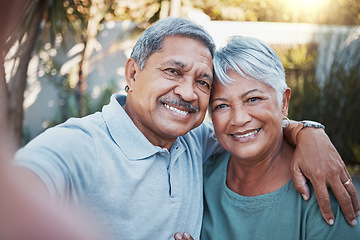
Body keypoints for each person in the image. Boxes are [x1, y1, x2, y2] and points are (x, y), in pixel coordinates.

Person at [11, 17, 359, 239]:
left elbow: (252, 128)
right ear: (133, 74)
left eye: (203, 82)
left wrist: (308, 132)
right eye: (173, 72)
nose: (188, 92)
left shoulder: (195, 142)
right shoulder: (81, 145)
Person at [175, 35, 360, 240]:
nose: (239, 119)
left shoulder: (322, 187)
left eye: (253, 99)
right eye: (222, 106)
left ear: (283, 103)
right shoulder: (199, 175)